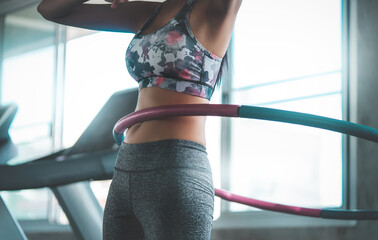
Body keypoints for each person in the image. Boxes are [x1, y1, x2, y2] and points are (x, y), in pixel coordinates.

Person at [38, 0, 242, 239]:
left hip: (175, 169)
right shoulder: (149, 12)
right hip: (126, 166)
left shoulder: (214, 9)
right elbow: (50, 10)